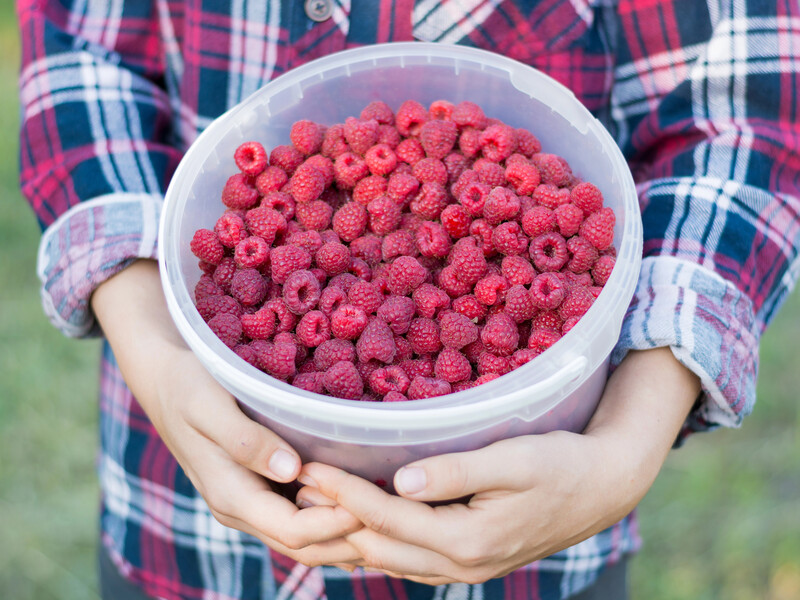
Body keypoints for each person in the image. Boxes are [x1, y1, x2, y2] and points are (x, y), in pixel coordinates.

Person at [16, 0, 800, 598]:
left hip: (537, 544)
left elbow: (741, 124)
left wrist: (625, 450)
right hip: (183, 523)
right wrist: (151, 343)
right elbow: (81, 51)